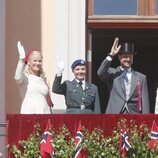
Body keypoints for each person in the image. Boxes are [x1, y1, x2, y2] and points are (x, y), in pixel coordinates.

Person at [97, 37, 150, 114]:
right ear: (119, 57)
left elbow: (144, 101)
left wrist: (145, 119)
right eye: (125, 56)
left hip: (134, 115)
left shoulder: (141, 77)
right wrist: (111, 55)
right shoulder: (112, 73)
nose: (128, 59)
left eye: (130, 57)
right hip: (114, 114)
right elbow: (100, 73)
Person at [14, 41, 53, 114]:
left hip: (44, 114)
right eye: (35, 60)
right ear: (29, 62)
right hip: (29, 115)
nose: (37, 63)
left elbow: (47, 101)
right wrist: (21, 61)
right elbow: (17, 77)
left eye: (39, 61)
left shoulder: (44, 80)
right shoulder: (25, 77)